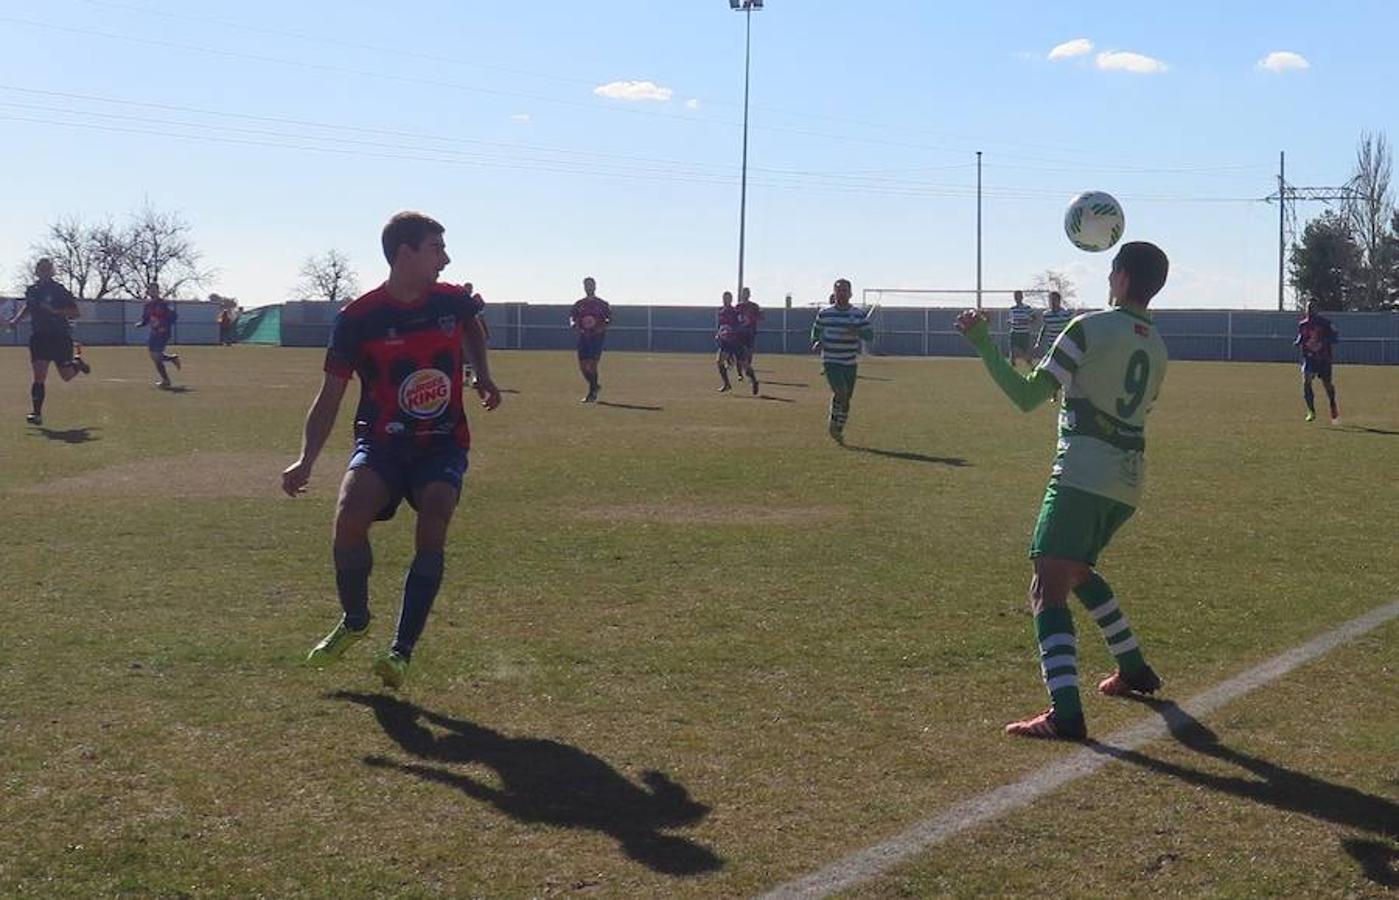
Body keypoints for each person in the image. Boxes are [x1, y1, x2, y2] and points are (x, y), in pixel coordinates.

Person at [955, 242, 1171, 741]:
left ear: (1118, 278)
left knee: (1046, 584)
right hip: (1128, 479)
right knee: (1076, 570)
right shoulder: (1157, 346)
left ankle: (1065, 714)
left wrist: (984, 343)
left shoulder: (1088, 328)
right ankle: (1133, 668)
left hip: (1082, 473)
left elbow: (1029, 395)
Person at [281, 212, 501, 690]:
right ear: (405, 254)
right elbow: (330, 394)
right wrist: (307, 460)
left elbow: (473, 328)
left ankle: (400, 651)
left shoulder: (452, 301)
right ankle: (355, 619)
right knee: (348, 515)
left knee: (437, 510)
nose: (445, 258)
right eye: (435, 248)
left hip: (442, 441)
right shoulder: (359, 318)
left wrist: (481, 372)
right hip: (381, 441)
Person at [8, 258, 91, 425]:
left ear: (51, 271)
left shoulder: (59, 290)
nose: (43, 272)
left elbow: (75, 312)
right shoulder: (32, 290)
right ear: (37, 271)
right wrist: (15, 320)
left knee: (66, 376)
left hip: (60, 336)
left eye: (47, 269)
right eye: (40, 269)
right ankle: (36, 413)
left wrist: (55, 310)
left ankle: (77, 364)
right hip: (39, 337)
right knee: (39, 375)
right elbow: (29, 307)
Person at [810, 278, 873, 444]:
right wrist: (816, 341)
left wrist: (858, 330)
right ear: (834, 292)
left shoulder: (858, 314)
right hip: (831, 360)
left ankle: (837, 427)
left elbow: (870, 335)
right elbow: (816, 330)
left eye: (844, 290)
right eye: (838, 290)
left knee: (845, 398)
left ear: (850, 293)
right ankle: (833, 422)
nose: (841, 293)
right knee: (842, 393)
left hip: (849, 362)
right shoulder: (825, 313)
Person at [1295, 301, 1340, 424]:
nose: (1309, 310)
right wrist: (1298, 342)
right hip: (1309, 358)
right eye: (1308, 307)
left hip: (1323, 358)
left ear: (1317, 309)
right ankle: (1311, 411)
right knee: (1306, 381)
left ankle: (1332, 404)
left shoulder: (1325, 323)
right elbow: (1302, 336)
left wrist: (1322, 342)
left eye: (1312, 307)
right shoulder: (1303, 324)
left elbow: (1335, 337)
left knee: (1327, 385)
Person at [570, 277, 610, 403]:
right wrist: (573, 324)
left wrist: (601, 328)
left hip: (596, 338)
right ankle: (595, 386)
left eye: (591, 285)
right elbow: (572, 317)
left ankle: (592, 393)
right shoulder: (579, 304)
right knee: (583, 366)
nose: (589, 288)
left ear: (595, 286)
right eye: (586, 285)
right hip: (583, 337)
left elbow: (609, 319)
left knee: (592, 365)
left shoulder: (602, 304)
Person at [135, 283, 182, 388]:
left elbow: (174, 317)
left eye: (154, 290)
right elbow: (146, 319)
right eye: (150, 290)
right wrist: (141, 324)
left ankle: (166, 380)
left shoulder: (163, 304)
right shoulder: (147, 305)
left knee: (156, 355)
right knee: (154, 356)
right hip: (154, 332)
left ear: (158, 291)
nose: (152, 292)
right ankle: (172, 359)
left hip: (163, 332)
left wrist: (164, 325)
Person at [734, 287, 763, 394]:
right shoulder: (738, 306)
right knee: (740, 357)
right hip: (739, 335)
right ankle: (741, 374)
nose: (745, 295)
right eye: (743, 293)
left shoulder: (754, 306)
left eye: (746, 293)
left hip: (750, 334)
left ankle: (749, 376)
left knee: (747, 357)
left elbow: (761, 317)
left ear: (749, 294)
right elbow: (734, 319)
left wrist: (756, 317)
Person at [714, 291, 743, 392]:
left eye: (727, 298)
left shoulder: (734, 311)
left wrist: (732, 332)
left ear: (731, 299)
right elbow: (720, 325)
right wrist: (718, 334)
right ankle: (727, 383)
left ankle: (731, 380)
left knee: (721, 360)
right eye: (724, 298)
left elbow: (739, 324)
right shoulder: (721, 311)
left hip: (732, 339)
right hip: (723, 339)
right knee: (719, 361)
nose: (725, 300)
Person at [1007, 290, 1036, 368]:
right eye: (1015, 296)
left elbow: (1034, 318)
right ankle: (1012, 368)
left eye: (1019, 296)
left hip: (1024, 333)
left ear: (1022, 297)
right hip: (1014, 332)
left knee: (1025, 352)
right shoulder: (1012, 309)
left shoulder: (1027, 308)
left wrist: (1025, 321)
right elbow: (1011, 319)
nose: (1017, 298)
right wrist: (1010, 322)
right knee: (1013, 351)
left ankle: (1032, 367)